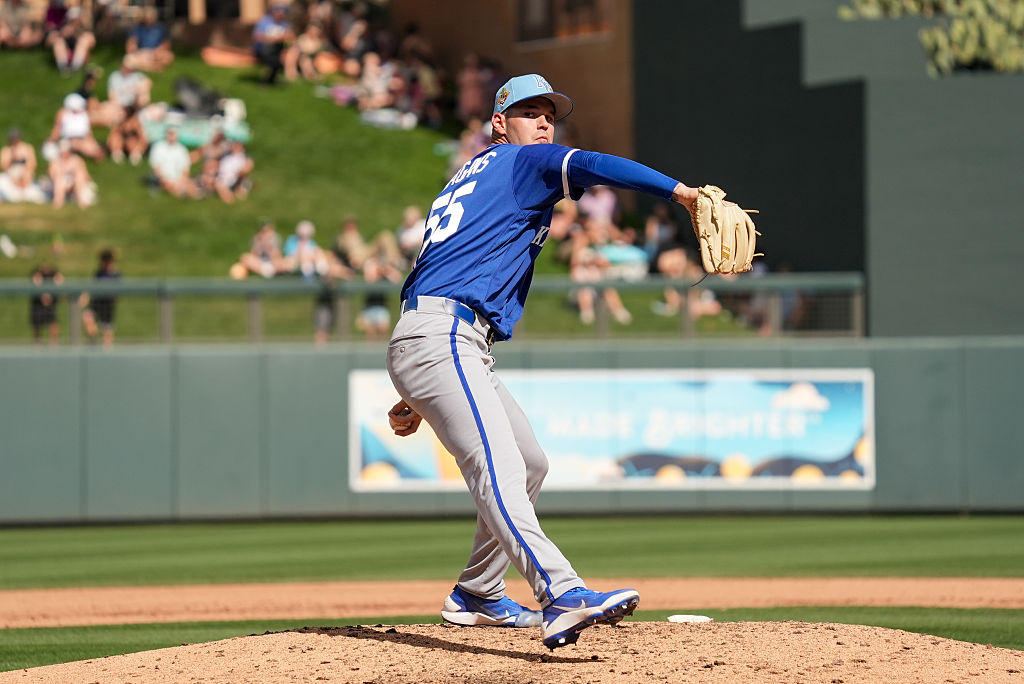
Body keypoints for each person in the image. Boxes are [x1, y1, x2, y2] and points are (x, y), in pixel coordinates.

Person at [384, 74, 708, 650]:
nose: (543, 123)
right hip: (443, 336)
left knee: (529, 463)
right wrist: (682, 194)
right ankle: (561, 593)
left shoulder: (472, 177)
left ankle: (477, 594)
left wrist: (415, 381)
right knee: (500, 469)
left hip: (442, 336)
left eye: (549, 115)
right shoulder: (518, 163)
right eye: (529, 112)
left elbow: (442, 268)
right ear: (499, 123)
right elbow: (600, 164)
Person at [78, 248, 120, 346]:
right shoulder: (99, 273)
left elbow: (117, 293)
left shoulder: (115, 274)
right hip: (97, 303)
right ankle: (94, 340)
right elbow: (93, 286)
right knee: (87, 317)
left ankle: (107, 353)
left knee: (107, 332)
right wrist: (85, 297)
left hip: (108, 305)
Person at [48, 92, 105, 161]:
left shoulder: (84, 114)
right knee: (73, 146)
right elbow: (57, 129)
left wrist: (93, 143)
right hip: (68, 140)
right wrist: (51, 141)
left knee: (93, 148)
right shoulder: (63, 113)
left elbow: (88, 132)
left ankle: (97, 151)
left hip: (82, 138)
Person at [0, 128, 46, 204]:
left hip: (26, 178)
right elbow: (4, 167)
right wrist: (12, 157)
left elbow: (33, 165)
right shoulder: (6, 150)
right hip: (11, 178)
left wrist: (23, 160)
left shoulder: (27, 148)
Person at [252, 3, 294, 85]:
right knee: (275, 61)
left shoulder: (285, 24)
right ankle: (267, 80)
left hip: (276, 50)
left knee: (276, 61)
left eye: (283, 12)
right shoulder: (265, 21)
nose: (281, 14)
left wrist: (275, 39)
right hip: (262, 49)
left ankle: (269, 80)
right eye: (279, 12)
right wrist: (275, 39)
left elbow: (290, 35)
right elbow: (257, 36)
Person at [148, 127, 197, 198]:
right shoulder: (158, 147)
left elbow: (185, 169)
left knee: (190, 186)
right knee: (174, 187)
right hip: (163, 178)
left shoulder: (182, 149)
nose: (171, 136)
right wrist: (165, 180)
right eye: (170, 134)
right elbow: (155, 167)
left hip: (178, 178)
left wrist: (182, 180)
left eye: (173, 134)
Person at [48, 138, 96, 208]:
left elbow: (85, 175)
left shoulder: (77, 160)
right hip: (59, 183)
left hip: (75, 184)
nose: (63, 152)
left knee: (78, 174)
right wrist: (61, 172)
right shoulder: (55, 161)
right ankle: (58, 200)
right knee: (58, 176)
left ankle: (80, 199)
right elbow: (51, 175)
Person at [123, 6, 174, 72]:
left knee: (169, 56)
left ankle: (146, 67)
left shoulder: (160, 28)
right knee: (128, 59)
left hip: (156, 53)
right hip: (142, 52)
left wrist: (159, 50)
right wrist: (134, 49)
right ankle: (154, 67)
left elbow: (167, 42)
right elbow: (131, 43)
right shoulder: (138, 28)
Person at [30, 262, 63, 344]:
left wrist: (51, 296)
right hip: (38, 304)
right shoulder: (36, 274)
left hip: (50, 304)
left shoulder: (54, 274)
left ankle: (54, 346)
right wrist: (43, 296)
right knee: (37, 326)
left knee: (53, 324)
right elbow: (35, 282)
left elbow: (60, 281)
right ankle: (37, 345)